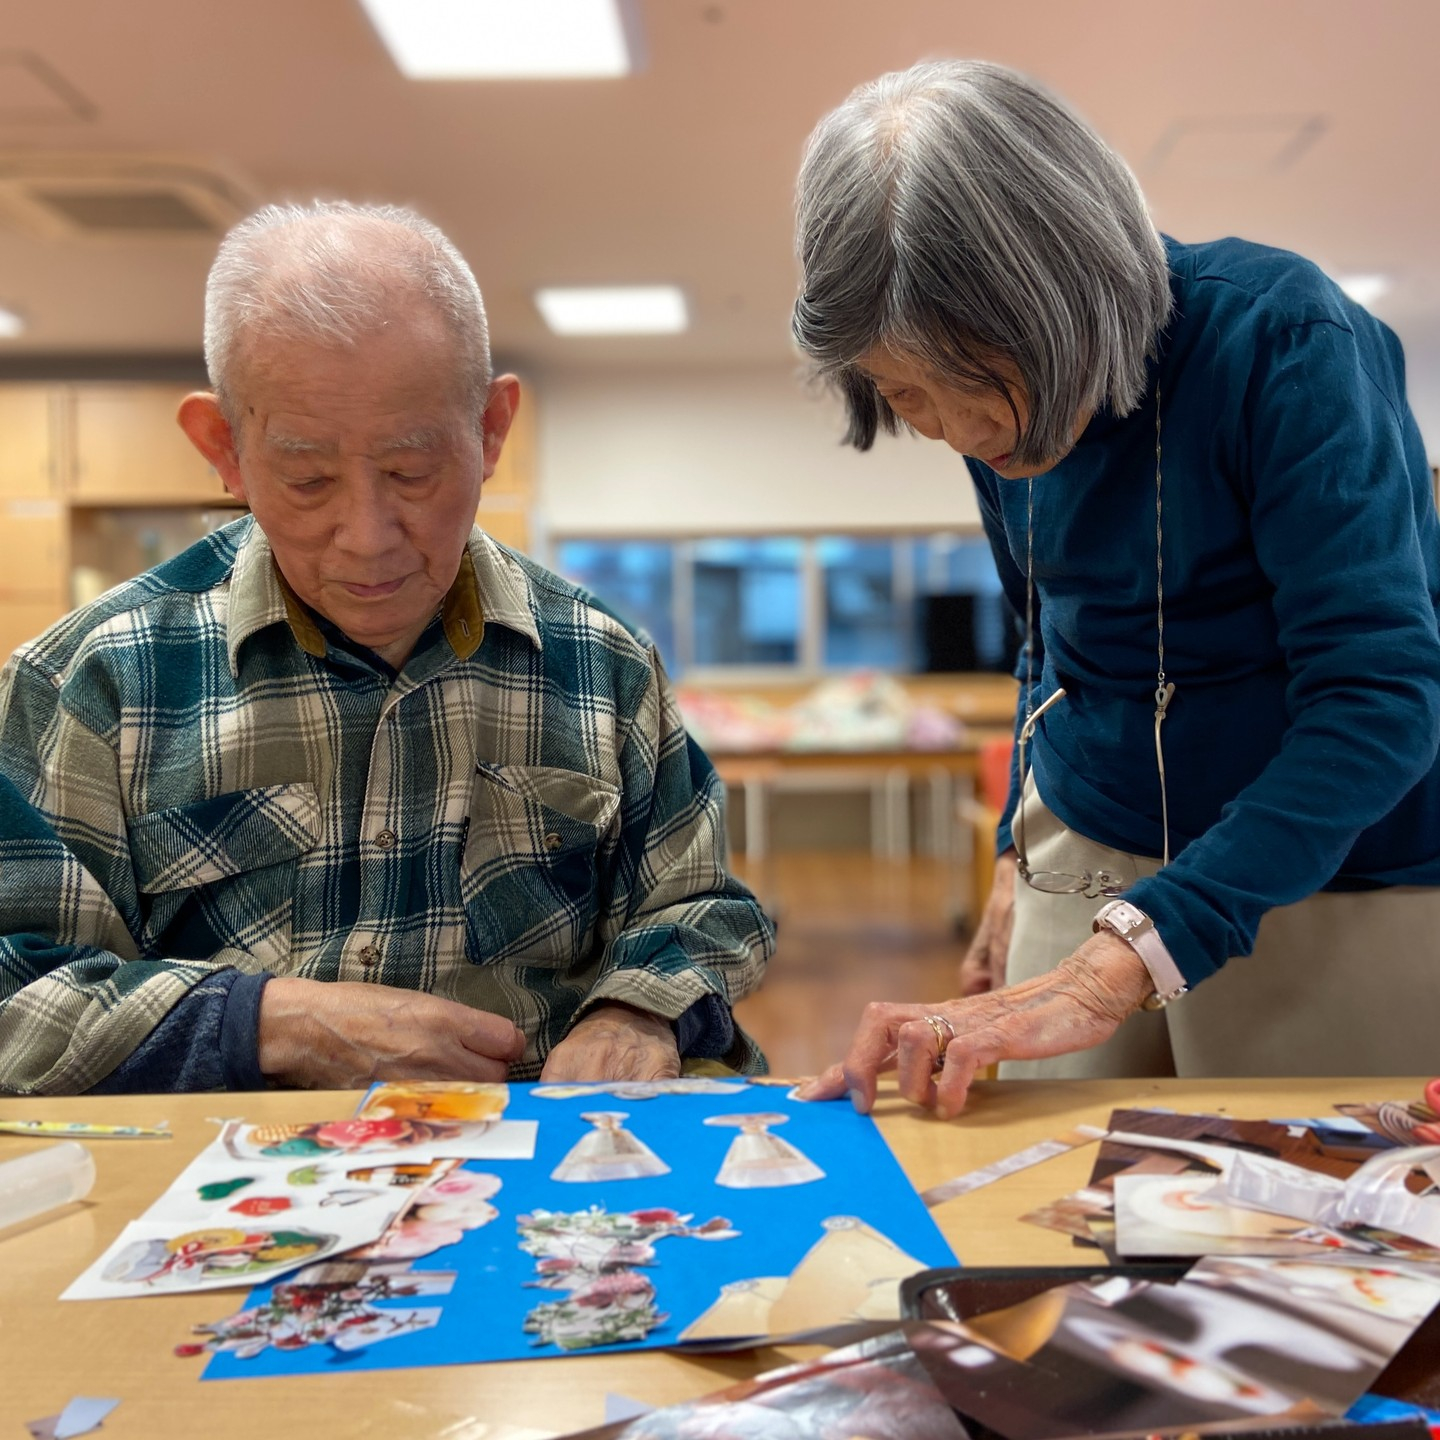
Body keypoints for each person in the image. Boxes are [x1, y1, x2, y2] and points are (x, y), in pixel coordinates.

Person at [0, 201, 774, 1095]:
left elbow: (701, 907)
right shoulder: (92, 681)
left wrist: (634, 1010)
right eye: (307, 479)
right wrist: (267, 1023)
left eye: (412, 472)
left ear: (490, 431)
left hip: (530, 1179)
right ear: (225, 450)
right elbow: (19, 998)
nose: (367, 537)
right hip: (229, 1201)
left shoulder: (601, 663)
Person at [790, 60, 1440, 1117]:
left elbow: (1379, 698)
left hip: (1326, 861)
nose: (962, 434)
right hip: (1087, 835)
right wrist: (1015, 849)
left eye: (976, 387)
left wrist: (1124, 960)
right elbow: (1045, 642)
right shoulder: (982, 408)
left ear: (1067, 300)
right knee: (1027, 1184)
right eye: (908, 397)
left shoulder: (1285, 341)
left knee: (1295, 1221)